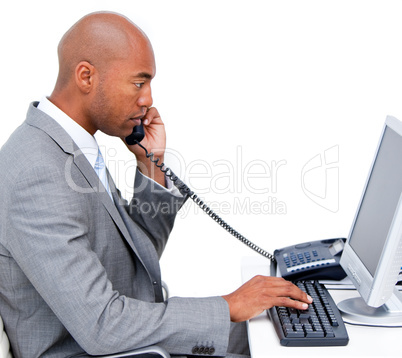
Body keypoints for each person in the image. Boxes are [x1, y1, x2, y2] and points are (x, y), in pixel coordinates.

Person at [0, 11, 312, 358]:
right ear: (86, 76)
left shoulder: (72, 145)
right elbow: (101, 325)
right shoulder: (38, 171)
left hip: (129, 337)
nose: (148, 99)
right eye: (138, 82)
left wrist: (150, 163)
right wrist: (227, 306)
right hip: (101, 349)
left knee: (275, 336)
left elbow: (135, 261)